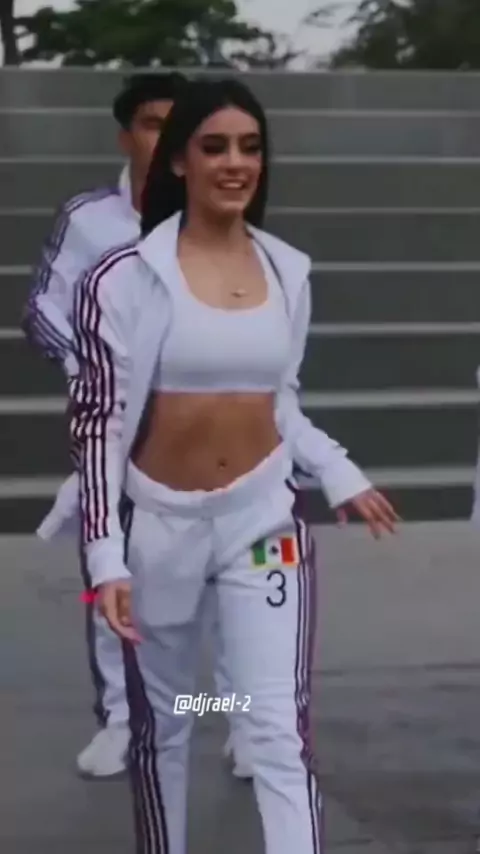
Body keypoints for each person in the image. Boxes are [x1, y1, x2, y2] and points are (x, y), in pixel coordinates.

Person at [64, 76, 399, 853]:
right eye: (214, 147)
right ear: (180, 161)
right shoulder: (123, 278)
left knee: (274, 727)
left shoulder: (288, 271)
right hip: (161, 526)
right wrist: (106, 558)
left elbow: (281, 401)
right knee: (165, 728)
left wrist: (338, 471)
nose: (235, 163)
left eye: (250, 147)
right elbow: (97, 429)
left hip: (262, 520)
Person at [22, 72, 251, 781]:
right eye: (153, 124)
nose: (169, 136)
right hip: (119, 432)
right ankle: (125, 721)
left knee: (235, 586)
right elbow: (44, 309)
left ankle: (242, 721)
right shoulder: (90, 219)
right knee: (114, 581)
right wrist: (93, 364)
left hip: (218, 431)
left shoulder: (228, 206)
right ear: (127, 136)